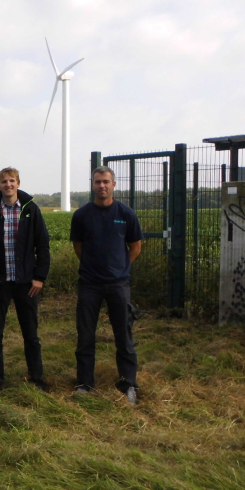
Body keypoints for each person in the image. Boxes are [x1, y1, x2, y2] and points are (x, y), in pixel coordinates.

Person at [71, 166, 143, 404]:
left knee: (123, 333)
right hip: (89, 284)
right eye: (97, 181)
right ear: (92, 185)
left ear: (114, 184)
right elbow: (78, 247)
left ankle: (128, 383)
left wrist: (120, 267)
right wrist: (94, 267)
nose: (102, 185)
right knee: (85, 334)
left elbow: (135, 247)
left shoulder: (126, 213)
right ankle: (84, 382)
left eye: (106, 182)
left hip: (118, 284)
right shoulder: (81, 215)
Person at [0, 167, 51, 394]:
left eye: (11, 181)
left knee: (31, 333)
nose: (8, 185)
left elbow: (43, 245)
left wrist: (39, 277)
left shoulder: (31, 210)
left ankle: (36, 378)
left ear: (18, 183)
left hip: (26, 283)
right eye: (3, 181)